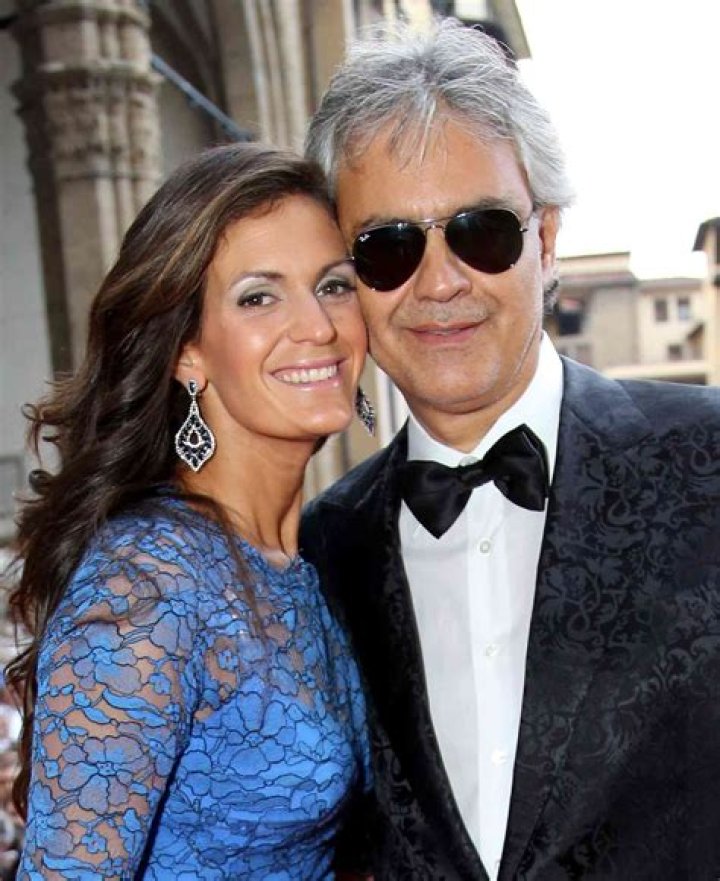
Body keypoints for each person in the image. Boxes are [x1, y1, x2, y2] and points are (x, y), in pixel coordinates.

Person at [301, 17, 720, 881]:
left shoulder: (707, 461)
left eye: (481, 231)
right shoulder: (323, 547)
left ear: (547, 238)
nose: (440, 282)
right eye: (389, 248)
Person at [6, 142, 372, 879]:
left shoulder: (307, 556)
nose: (319, 326)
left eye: (333, 285)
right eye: (259, 297)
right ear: (187, 352)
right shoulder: (145, 585)